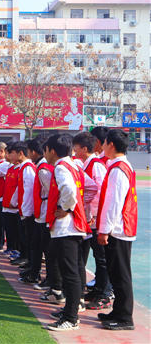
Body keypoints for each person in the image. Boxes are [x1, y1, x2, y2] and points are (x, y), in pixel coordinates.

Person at [43, 134, 96, 331]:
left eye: (46, 150)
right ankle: (69, 311)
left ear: (52, 151)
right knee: (72, 270)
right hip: (74, 225)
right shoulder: (75, 165)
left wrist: (67, 208)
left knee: (70, 272)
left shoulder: (61, 167)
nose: (44, 154)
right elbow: (91, 188)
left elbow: (70, 190)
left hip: (67, 227)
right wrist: (80, 208)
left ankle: (71, 318)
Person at [96, 129, 138, 330]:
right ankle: (118, 311)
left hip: (118, 229)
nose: (102, 147)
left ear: (111, 145)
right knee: (117, 272)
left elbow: (113, 204)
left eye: (103, 143)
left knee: (120, 274)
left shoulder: (117, 169)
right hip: (121, 228)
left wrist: (104, 230)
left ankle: (124, 318)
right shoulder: (121, 166)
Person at [72, 132, 112, 310]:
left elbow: (100, 191)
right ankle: (98, 288)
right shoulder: (87, 164)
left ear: (84, 149)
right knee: (97, 256)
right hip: (90, 218)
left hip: (96, 218)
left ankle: (105, 293)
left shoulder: (96, 166)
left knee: (102, 257)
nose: (74, 150)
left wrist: (94, 214)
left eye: (76, 147)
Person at [24, 136, 53, 287]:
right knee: (36, 245)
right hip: (40, 212)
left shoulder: (43, 169)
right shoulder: (41, 167)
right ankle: (34, 272)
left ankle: (47, 278)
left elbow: (52, 193)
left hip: (45, 214)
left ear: (34, 152)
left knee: (45, 248)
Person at [10, 142, 36, 273]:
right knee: (24, 236)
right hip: (22, 208)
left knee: (29, 239)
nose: (10, 156)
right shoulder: (22, 167)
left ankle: (29, 262)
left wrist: (26, 210)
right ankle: (26, 259)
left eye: (12, 153)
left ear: (20, 153)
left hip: (28, 211)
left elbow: (29, 190)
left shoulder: (28, 168)